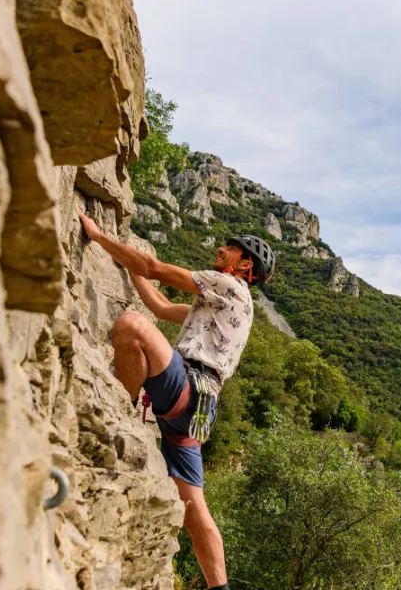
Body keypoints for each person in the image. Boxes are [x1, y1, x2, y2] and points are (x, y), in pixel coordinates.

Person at [77, 210, 275, 590]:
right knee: (194, 509)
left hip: (187, 388)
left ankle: (117, 412)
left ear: (244, 264)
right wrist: (129, 266)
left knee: (131, 325)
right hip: (195, 414)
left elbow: (153, 269)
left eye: (230, 248)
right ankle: (220, 588)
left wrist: (101, 238)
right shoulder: (222, 309)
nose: (221, 249)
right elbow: (161, 307)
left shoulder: (229, 286)